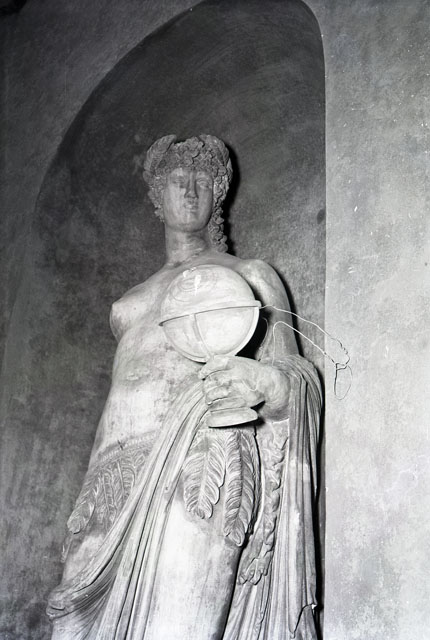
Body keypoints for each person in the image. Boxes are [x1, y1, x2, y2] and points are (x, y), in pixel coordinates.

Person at [47, 135, 322, 639]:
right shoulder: (128, 303)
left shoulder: (248, 276)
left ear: (219, 193)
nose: (191, 191)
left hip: (202, 460)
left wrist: (261, 382)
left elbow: (294, 378)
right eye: (179, 180)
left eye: (203, 181)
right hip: (110, 477)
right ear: (159, 194)